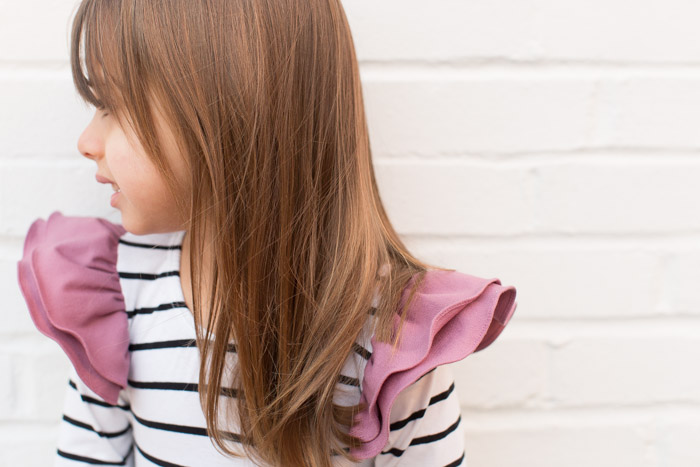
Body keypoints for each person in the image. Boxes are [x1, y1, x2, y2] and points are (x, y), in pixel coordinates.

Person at [16, 1, 518, 466]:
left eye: (112, 106)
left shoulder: (394, 345)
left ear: (227, 105)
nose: (87, 142)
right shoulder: (112, 298)